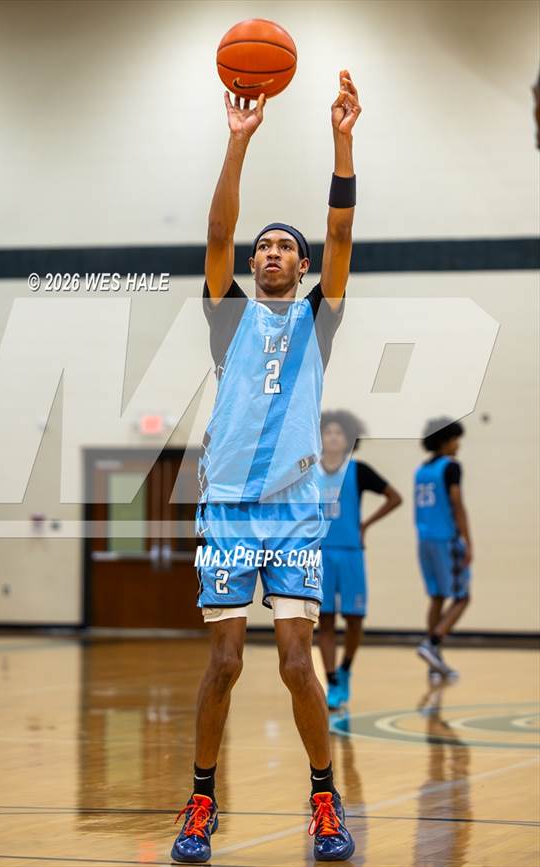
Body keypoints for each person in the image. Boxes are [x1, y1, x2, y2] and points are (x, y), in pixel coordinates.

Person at [171, 70, 361, 864]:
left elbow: (343, 234)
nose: (270, 251)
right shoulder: (229, 319)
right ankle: (201, 796)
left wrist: (343, 141)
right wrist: (236, 143)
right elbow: (218, 235)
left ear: (305, 264)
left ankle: (323, 793)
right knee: (224, 660)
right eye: (264, 247)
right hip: (226, 508)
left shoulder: (319, 319)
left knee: (293, 661)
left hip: (290, 510)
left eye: (285, 245)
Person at [315, 410, 402, 710]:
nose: (334, 437)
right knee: (324, 621)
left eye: (339, 433)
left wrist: (365, 525)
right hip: (320, 553)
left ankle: (346, 669)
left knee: (354, 619)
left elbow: (395, 497)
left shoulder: (359, 470)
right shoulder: (308, 471)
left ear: (349, 438)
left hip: (351, 552)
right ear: (319, 436)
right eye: (328, 432)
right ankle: (331, 680)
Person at [414, 418, 472, 680]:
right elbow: (457, 503)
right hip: (446, 539)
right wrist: (468, 540)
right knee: (462, 597)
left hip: (424, 541)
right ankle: (432, 643)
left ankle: (433, 663)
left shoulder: (421, 471)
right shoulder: (451, 467)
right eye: (455, 439)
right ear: (444, 440)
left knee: (437, 597)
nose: (458, 444)